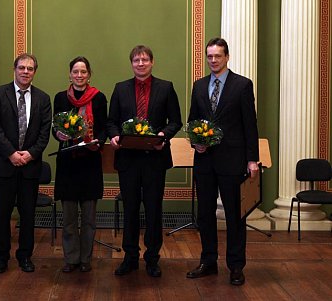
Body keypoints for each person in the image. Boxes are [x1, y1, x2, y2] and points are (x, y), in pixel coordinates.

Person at [186, 38, 259, 285]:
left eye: (217, 56)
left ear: (227, 57)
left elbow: (250, 125)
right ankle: (208, 262)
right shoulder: (198, 86)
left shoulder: (242, 85)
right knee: (205, 214)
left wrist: (252, 160)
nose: (213, 60)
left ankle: (236, 266)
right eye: (209, 56)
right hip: (204, 161)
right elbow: (192, 122)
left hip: (233, 161)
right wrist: (195, 142)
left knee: (234, 215)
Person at [107, 45, 182, 277]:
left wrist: (163, 136)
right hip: (128, 160)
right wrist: (115, 135)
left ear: (152, 62)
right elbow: (111, 122)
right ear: (131, 64)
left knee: (153, 209)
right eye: (136, 60)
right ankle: (130, 257)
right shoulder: (120, 89)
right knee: (130, 209)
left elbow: (176, 121)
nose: (141, 63)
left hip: (154, 159)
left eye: (145, 60)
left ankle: (152, 258)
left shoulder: (166, 88)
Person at [0, 53, 52, 274]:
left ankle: (25, 256)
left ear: (35, 72)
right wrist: (12, 154)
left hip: (30, 167)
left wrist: (30, 155)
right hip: (4, 165)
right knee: (2, 214)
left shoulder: (43, 99)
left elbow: (44, 133)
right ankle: (1, 257)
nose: (26, 72)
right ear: (14, 69)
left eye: (30, 68)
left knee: (28, 215)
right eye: (22, 67)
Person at [52, 56, 107, 273]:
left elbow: (103, 127)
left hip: (90, 163)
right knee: (68, 219)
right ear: (70, 74)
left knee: (89, 219)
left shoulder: (99, 98)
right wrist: (58, 133)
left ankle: (85, 259)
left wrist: (98, 142)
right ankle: (71, 258)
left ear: (89, 75)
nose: (79, 75)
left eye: (83, 72)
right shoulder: (60, 98)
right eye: (75, 71)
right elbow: (55, 127)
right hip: (67, 164)